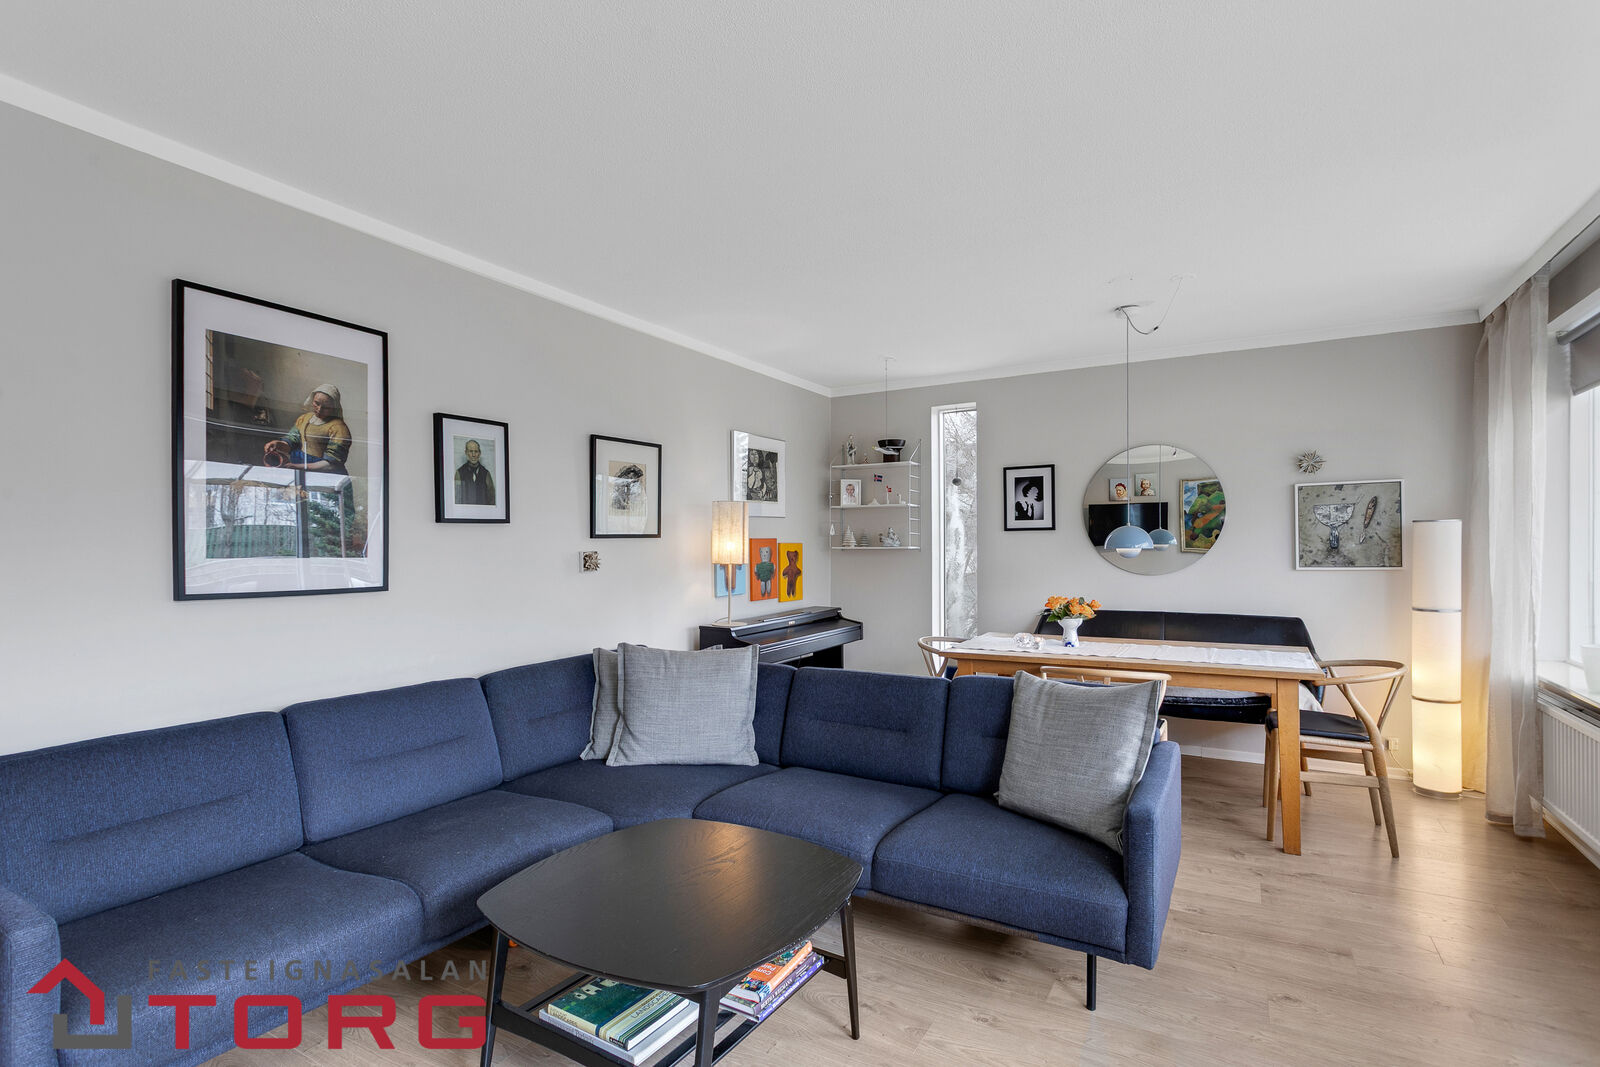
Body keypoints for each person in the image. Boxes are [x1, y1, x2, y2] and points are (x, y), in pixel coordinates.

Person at [263, 384, 351, 475]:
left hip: (322, 472)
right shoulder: (305, 418)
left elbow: (332, 464)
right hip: (300, 464)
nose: (319, 409)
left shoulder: (338, 428)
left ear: (334, 407)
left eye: (326, 407)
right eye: (317, 403)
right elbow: (293, 440)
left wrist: (300, 467)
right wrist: (279, 444)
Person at [455, 439, 495, 505]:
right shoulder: (459, 473)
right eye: (471, 451)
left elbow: (492, 499)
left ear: (479, 453)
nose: (473, 455)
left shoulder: (486, 473)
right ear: (466, 452)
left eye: (476, 451)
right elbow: (457, 499)